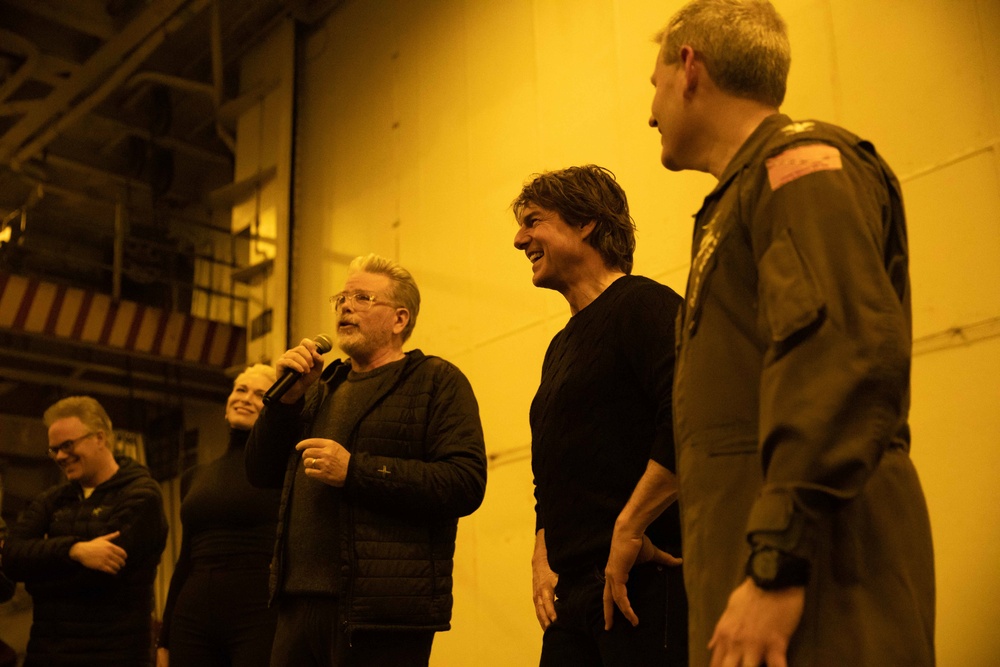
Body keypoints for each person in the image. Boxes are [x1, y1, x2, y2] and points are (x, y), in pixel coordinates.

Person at [605, 1, 936, 665]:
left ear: (689, 68)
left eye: (654, 84)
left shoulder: (800, 169)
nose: (650, 111)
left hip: (815, 577)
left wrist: (778, 564)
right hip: (754, 566)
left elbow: (840, 360)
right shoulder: (742, 199)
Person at [245, 253, 488, 667]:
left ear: (399, 319)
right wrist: (284, 403)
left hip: (380, 612)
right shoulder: (320, 388)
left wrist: (355, 470)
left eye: (362, 297)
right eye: (341, 297)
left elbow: (464, 482)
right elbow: (260, 471)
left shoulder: (435, 382)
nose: (345, 306)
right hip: (296, 605)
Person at [512, 165, 687, 666]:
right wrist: (544, 552)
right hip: (577, 591)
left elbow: (686, 420)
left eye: (533, 221)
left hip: (643, 578)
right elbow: (555, 465)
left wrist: (630, 528)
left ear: (585, 223)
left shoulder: (644, 305)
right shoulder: (560, 346)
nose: (519, 239)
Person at [2, 396, 168, 666]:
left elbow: (102, 579)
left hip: (113, 656)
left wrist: (36, 576)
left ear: (100, 438)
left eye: (67, 445)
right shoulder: (52, 499)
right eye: (54, 450)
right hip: (46, 655)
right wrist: (74, 551)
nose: (59, 456)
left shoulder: (142, 495)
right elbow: (10, 557)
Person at [156, 364, 280, 667]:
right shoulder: (195, 476)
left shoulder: (284, 471)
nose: (246, 398)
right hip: (193, 613)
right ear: (227, 404)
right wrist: (164, 640)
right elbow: (185, 559)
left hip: (257, 613)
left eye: (260, 394)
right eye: (241, 389)